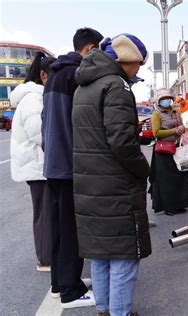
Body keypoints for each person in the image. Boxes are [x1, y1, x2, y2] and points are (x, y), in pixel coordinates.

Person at [72, 33, 151, 316]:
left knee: (101, 254)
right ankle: (120, 312)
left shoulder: (85, 85)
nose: (138, 70)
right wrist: (144, 169)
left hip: (89, 182)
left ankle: (105, 309)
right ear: (125, 60)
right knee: (124, 256)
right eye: (137, 64)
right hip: (115, 184)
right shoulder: (116, 86)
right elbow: (122, 142)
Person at [41, 27, 102, 308]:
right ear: (89, 49)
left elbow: (47, 121)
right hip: (69, 163)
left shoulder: (55, 74)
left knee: (58, 226)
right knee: (72, 229)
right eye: (98, 49)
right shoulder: (76, 74)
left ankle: (60, 283)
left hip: (53, 162)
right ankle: (70, 291)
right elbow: (79, 123)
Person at [10, 52, 56, 272]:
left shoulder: (35, 96)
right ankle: (46, 259)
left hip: (38, 165)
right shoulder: (34, 98)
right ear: (43, 75)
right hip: (38, 166)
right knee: (45, 214)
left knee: (45, 212)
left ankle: (47, 256)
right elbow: (41, 134)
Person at [149, 88, 188, 216]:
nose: (166, 101)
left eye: (167, 98)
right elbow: (156, 133)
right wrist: (174, 131)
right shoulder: (156, 114)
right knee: (166, 180)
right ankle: (168, 206)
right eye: (162, 99)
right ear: (159, 101)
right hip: (163, 150)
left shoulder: (176, 111)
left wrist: (182, 128)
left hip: (177, 148)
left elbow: (182, 126)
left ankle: (180, 204)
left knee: (180, 177)